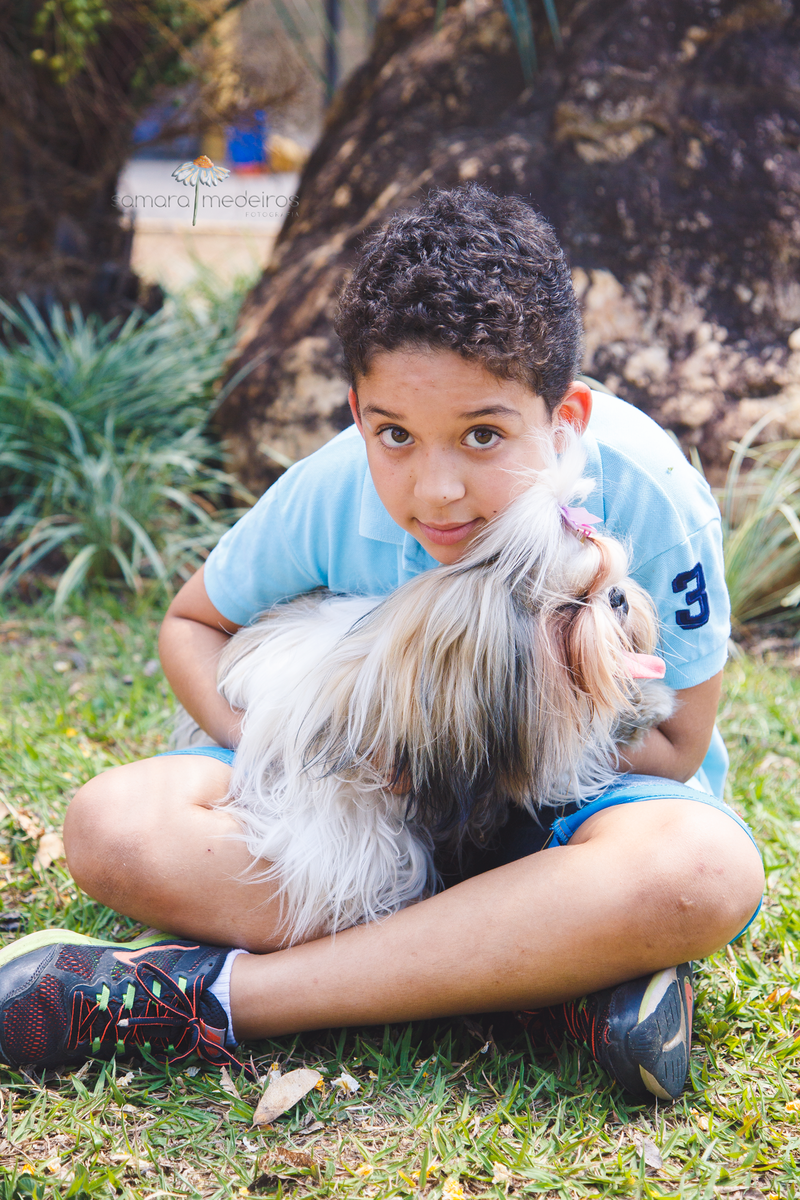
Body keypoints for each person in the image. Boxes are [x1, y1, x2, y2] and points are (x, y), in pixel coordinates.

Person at [0, 186, 764, 1101]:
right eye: (394, 434)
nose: (435, 489)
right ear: (358, 411)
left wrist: (509, 746)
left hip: (569, 802)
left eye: (484, 434)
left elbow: (678, 747)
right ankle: (546, 975)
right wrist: (308, 747)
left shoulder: (650, 495)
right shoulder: (333, 488)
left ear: (565, 422)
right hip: (354, 793)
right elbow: (191, 623)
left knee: (700, 872)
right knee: (113, 829)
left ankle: (214, 996)